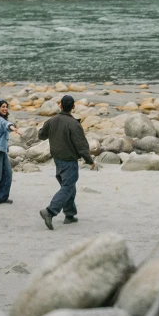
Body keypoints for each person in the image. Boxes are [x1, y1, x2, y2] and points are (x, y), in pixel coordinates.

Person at [36, 95, 96, 230]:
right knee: (68, 187)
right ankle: (50, 211)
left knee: (69, 186)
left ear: (61, 105)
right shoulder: (74, 124)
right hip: (69, 160)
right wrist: (89, 160)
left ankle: (69, 215)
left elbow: (41, 135)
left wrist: (47, 129)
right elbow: (81, 145)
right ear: (73, 106)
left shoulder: (52, 121)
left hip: (57, 159)